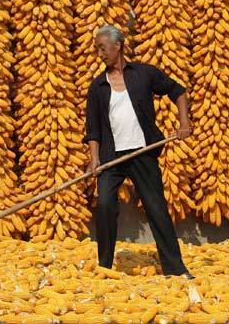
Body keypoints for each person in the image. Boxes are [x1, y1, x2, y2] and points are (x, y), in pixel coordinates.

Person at [83, 24, 194, 279]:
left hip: (143, 152)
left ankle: (175, 269)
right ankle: (105, 267)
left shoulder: (143, 74)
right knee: (106, 206)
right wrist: (95, 161)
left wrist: (184, 124)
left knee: (156, 208)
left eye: (102, 48)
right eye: (96, 49)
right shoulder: (97, 86)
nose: (99, 53)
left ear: (117, 46)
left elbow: (178, 92)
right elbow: (93, 130)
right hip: (112, 157)